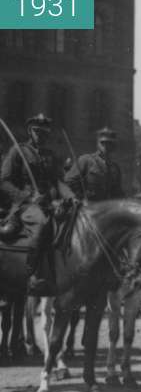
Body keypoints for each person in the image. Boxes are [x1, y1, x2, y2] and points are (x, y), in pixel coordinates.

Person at [0, 114, 61, 295]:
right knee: (41, 222)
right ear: (30, 131)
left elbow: (56, 182)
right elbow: (4, 181)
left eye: (44, 132)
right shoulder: (18, 151)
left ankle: (59, 274)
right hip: (24, 206)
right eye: (37, 131)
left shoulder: (50, 155)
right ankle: (32, 273)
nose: (40, 135)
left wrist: (58, 196)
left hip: (47, 203)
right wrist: (27, 197)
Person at [64, 127, 124, 202]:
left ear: (113, 146)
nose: (106, 146)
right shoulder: (86, 160)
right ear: (98, 143)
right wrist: (81, 197)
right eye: (103, 143)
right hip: (88, 207)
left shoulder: (115, 168)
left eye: (109, 143)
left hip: (107, 209)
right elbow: (68, 180)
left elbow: (118, 192)